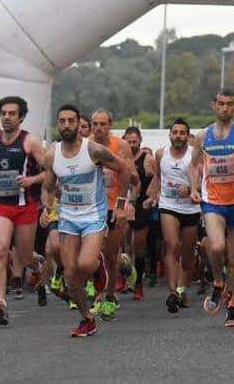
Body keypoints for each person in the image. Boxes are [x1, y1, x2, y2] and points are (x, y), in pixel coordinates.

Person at [42, 104, 130, 337]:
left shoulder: (93, 150)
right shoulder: (52, 154)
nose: (68, 125)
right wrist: (46, 206)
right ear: (58, 124)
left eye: (72, 121)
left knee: (85, 265)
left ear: (80, 126)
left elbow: (125, 171)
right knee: (71, 275)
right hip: (68, 217)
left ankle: (98, 265)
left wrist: (121, 205)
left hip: (93, 215)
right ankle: (87, 318)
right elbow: (48, 187)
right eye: (63, 121)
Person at [0, 96, 47, 325]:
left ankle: (38, 265)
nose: (6, 117)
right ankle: (0, 302)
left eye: (11, 113)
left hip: (26, 206)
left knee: (24, 256)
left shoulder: (31, 143)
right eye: (3, 113)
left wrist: (32, 179)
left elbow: (51, 172)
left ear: (21, 117)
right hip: (0, 205)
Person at [190, 89, 234, 328]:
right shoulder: (202, 136)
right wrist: (194, 188)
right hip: (213, 200)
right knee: (216, 245)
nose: (225, 108)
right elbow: (194, 165)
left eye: (229, 104)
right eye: (221, 103)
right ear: (214, 105)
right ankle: (218, 281)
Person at [145, 118, 200, 313]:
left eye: (182, 133)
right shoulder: (161, 154)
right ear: (170, 135)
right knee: (172, 245)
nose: (178, 136)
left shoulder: (195, 155)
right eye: (175, 132)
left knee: (186, 255)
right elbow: (159, 179)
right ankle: (173, 292)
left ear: (187, 136)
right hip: (168, 206)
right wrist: (152, 197)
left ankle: (182, 289)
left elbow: (205, 181)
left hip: (191, 209)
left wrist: (194, 189)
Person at [89, 109, 136, 319]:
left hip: (114, 205)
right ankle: (99, 295)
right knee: (93, 255)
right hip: (93, 207)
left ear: (110, 125)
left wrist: (123, 204)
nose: (98, 128)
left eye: (102, 124)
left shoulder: (121, 145)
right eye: (95, 124)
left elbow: (132, 175)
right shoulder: (86, 144)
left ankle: (109, 296)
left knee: (110, 255)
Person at [124, 126, 156, 301]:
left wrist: (151, 197)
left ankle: (138, 284)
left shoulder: (147, 158)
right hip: (124, 202)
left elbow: (156, 179)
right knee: (124, 244)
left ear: (140, 141)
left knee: (139, 246)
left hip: (141, 205)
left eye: (134, 142)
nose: (131, 145)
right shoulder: (120, 157)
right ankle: (127, 278)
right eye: (128, 142)